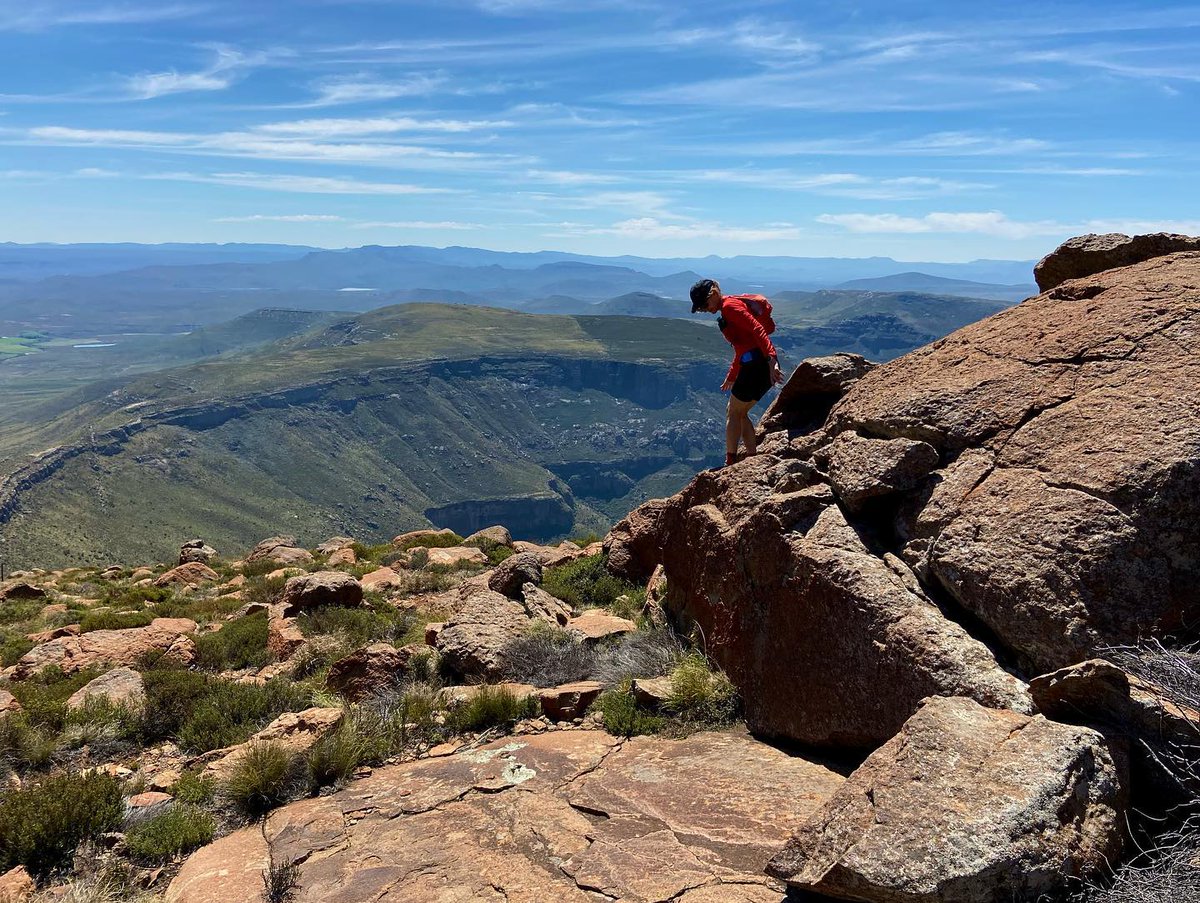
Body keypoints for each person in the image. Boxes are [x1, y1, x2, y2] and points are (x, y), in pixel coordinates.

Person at [690, 278, 784, 468]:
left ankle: (730, 461)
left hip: (757, 366)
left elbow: (757, 329)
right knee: (740, 413)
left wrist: (771, 359)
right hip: (757, 365)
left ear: (714, 294)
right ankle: (751, 457)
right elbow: (742, 349)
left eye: (704, 305)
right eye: (701, 308)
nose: (705, 310)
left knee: (733, 412)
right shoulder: (729, 308)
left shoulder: (730, 307)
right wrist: (732, 376)